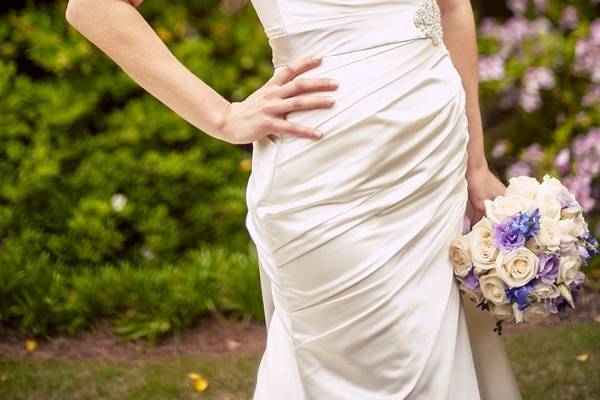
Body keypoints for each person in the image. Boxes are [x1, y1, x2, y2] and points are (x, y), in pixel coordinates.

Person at [65, 0, 522, 398]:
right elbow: (93, 6)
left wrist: (475, 164)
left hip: (431, 163)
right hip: (329, 170)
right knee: (360, 367)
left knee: (433, 349)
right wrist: (222, 117)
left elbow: (452, 8)